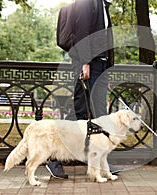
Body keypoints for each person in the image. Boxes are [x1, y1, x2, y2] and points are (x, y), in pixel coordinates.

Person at [46, 0, 118, 179]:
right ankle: (53, 158)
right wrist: (85, 63)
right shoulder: (88, 3)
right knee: (80, 112)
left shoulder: (104, 6)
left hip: (99, 66)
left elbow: (106, 41)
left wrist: (106, 73)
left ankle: (101, 162)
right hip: (87, 64)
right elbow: (81, 33)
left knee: (100, 115)